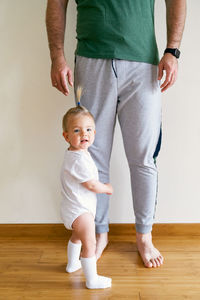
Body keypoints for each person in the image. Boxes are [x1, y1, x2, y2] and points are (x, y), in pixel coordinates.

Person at [46, 0, 186, 268]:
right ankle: (99, 232)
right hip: (91, 60)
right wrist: (57, 55)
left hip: (143, 64)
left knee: (144, 157)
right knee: (91, 155)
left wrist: (173, 50)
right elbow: (56, 3)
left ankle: (144, 236)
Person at [60, 90, 113, 289]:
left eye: (89, 130)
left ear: (94, 133)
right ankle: (92, 280)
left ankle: (72, 264)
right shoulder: (78, 160)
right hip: (80, 211)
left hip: (73, 209)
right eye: (77, 131)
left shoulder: (77, 153)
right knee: (89, 243)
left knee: (77, 237)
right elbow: (90, 184)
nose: (84, 134)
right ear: (66, 136)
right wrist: (106, 188)